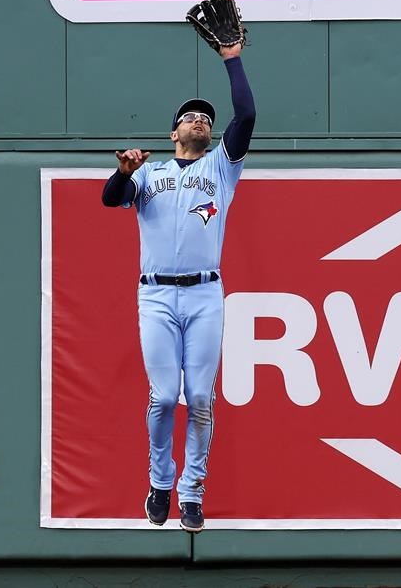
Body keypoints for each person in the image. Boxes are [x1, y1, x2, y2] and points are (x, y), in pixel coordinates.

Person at [101, 40, 255, 533]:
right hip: (157, 295)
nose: (200, 121)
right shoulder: (150, 171)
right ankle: (159, 482)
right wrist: (122, 172)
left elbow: (246, 114)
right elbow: (111, 199)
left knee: (202, 398)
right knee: (166, 396)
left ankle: (191, 492)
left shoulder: (221, 169)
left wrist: (232, 57)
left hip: (206, 293)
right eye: (190, 116)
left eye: (205, 118)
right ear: (173, 132)